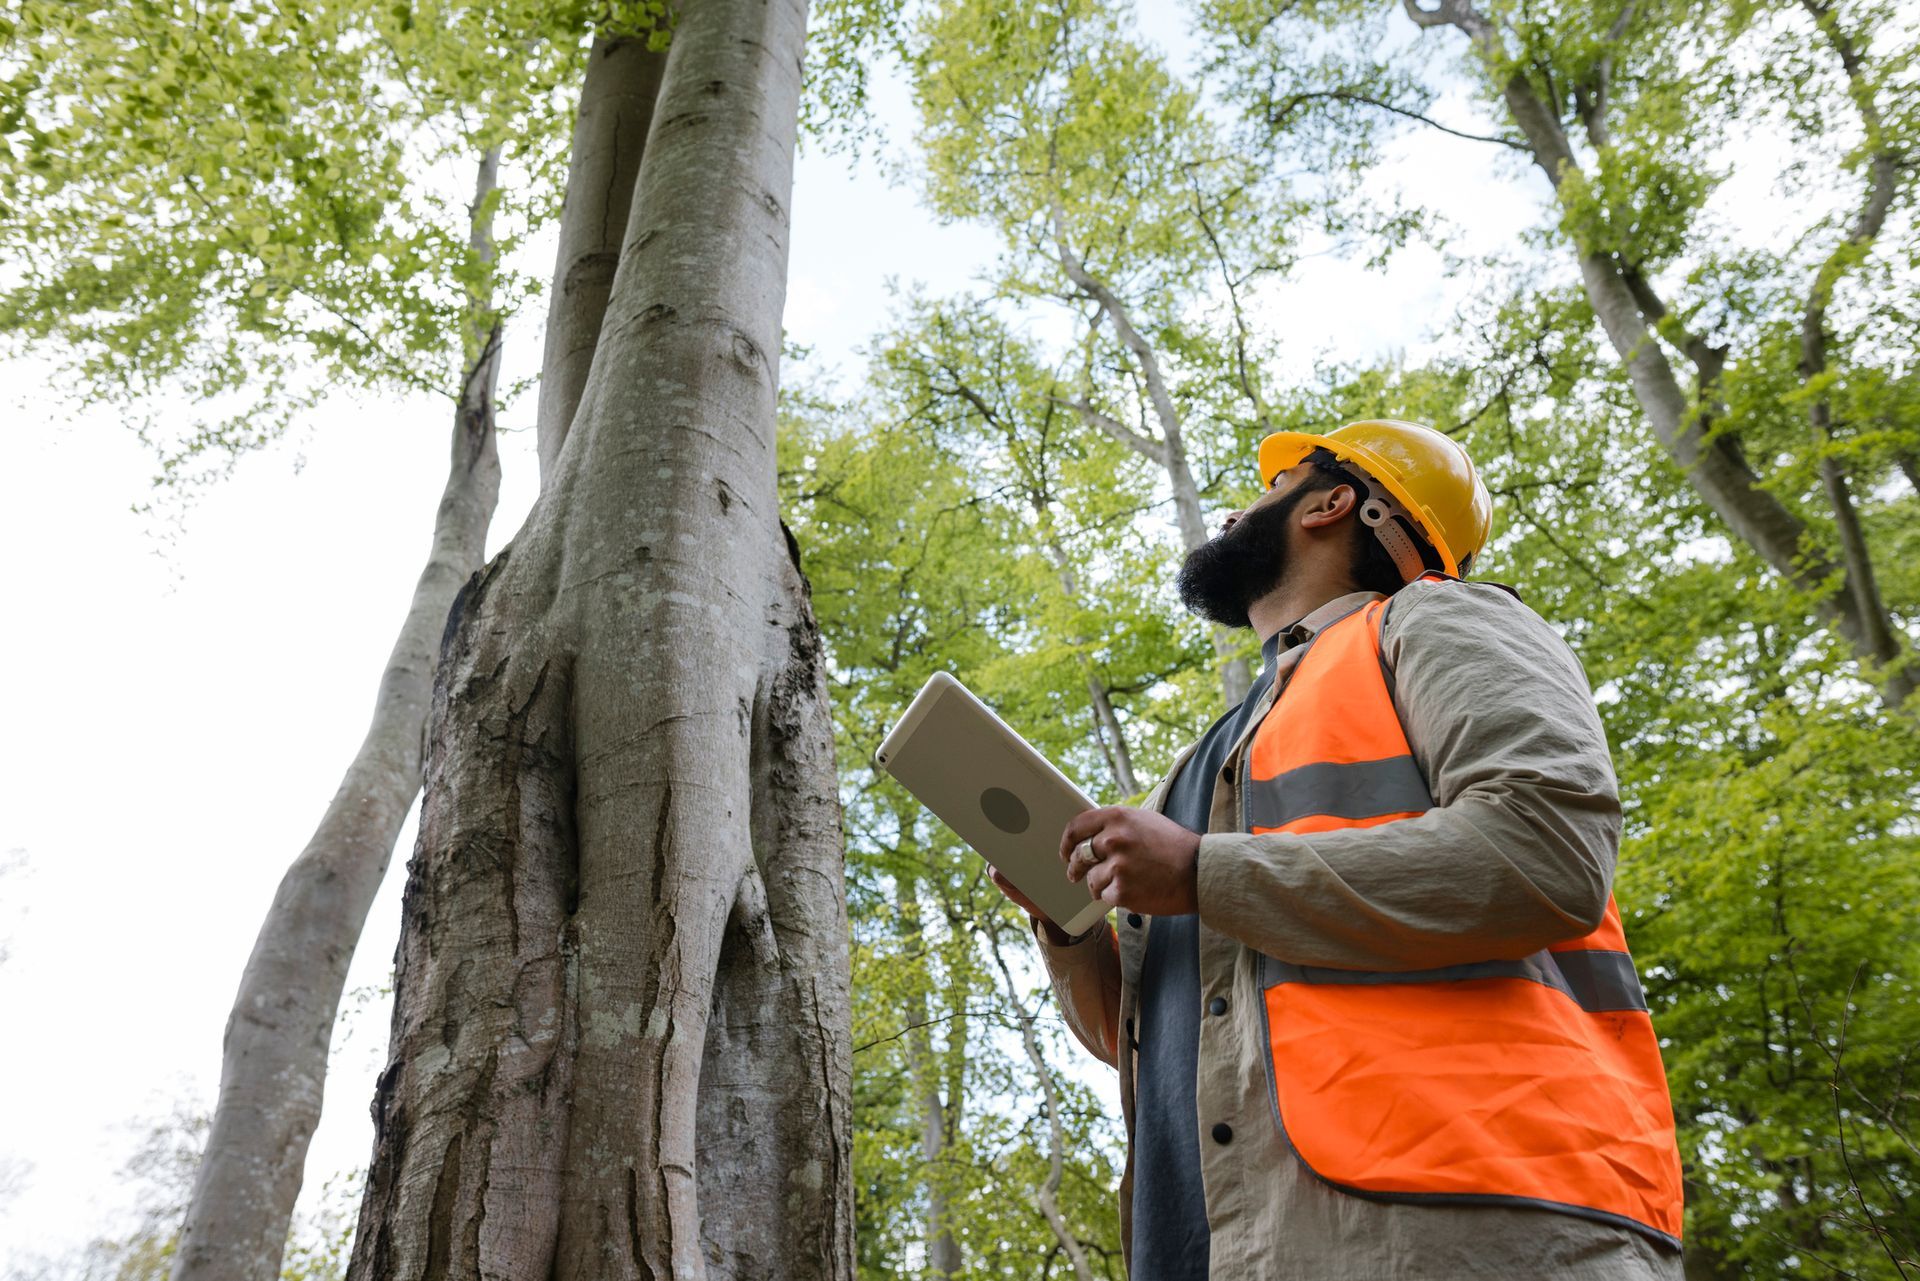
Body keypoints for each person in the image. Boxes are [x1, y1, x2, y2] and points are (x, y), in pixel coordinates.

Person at [988, 421, 1685, 1280]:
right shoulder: (1194, 770)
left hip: (1465, 1227)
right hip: (1221, 1246)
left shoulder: (1433, 619)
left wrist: (1204, 872)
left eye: (1271, 487)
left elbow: (1546, 850)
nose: (1242, 505)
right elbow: (1141, 1033)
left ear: (1332, 502)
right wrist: (1065, 928)